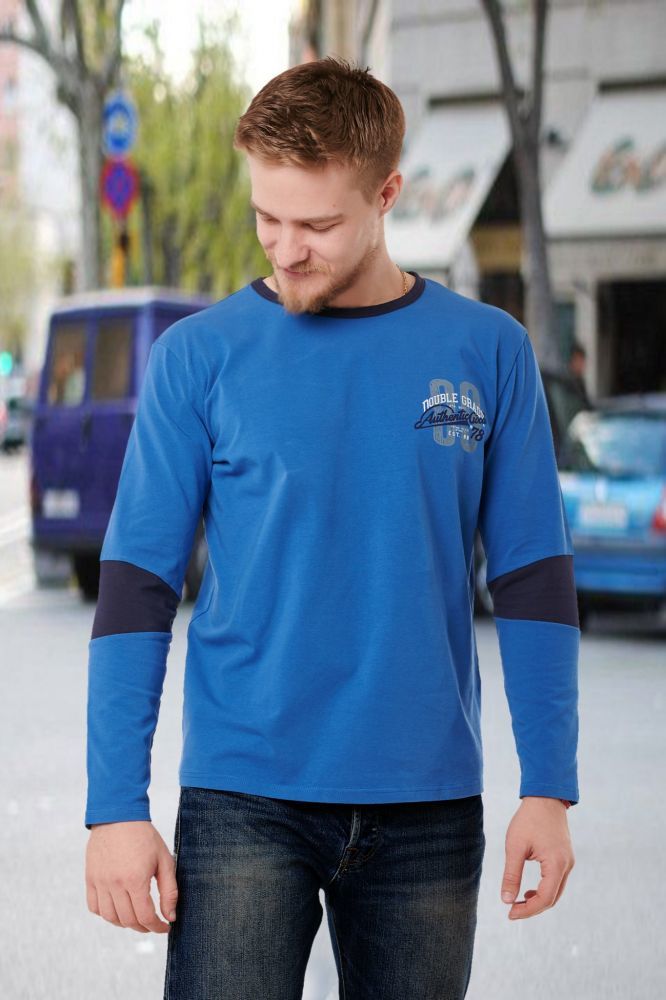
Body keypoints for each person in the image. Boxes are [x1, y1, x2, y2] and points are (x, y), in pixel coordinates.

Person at [84, 56, 579, 1000]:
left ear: (387, 194)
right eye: (266, 218)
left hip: (428, 804)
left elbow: (534, 580)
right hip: (243, 801)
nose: (285, 248)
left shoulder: (489, 351)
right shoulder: (198, 358)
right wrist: (115, 807)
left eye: (316, 224)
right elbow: (137, 587)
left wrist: (549, 789)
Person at [568, 341, 592, 408]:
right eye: (578, 360)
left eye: (582, 360)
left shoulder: (580, 382)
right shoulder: (567, 384)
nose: (580, 364)